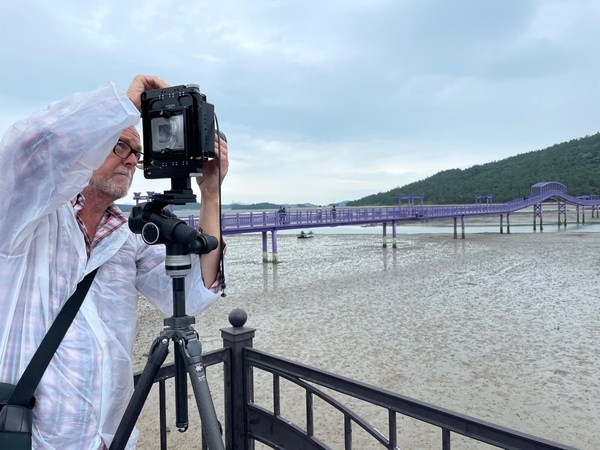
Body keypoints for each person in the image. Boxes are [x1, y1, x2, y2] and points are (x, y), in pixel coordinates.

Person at [0, 75, 228, 449]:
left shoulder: (128, 236)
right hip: (32, 436)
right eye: (118, 145)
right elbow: (28, 148)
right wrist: (122, 106)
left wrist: (211, 194)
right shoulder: (25, 218)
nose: (130, 160)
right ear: (84, 148)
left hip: (110, 438)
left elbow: (195, 290)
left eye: (136, 153)